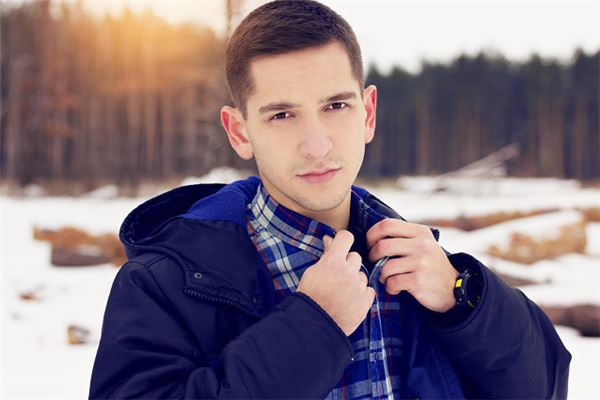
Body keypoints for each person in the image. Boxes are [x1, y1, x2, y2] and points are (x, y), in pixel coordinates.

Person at [89, 1, 571, 398]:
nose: (317, 145)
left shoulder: (418, 264)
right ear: (240, 132)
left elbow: (546, 386)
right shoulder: (163, 284)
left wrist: (462, 295)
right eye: (282, 115)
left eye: (336, 105)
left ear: (368, 113)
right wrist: (311, 327)